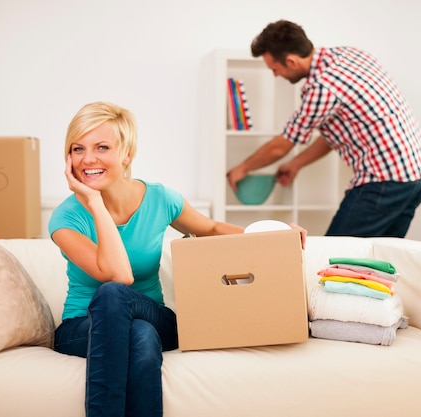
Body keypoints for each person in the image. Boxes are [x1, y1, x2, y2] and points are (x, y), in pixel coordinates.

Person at [48, 101, 305, 417]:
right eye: (78, 149)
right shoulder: (66, 219)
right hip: (82, 325)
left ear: (126, 154)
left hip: (154, 314)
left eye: (102, 147)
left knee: (124, 305)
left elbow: (209, 228)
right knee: (135, 328)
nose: (88, 159)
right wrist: (95, 203)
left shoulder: (159, 198)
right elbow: (118, 275)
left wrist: (276, 237)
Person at [226, 20, 421, 238]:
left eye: (275, 69)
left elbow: (282, 145)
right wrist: (296, 164)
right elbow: (338, 133)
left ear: (290, 61)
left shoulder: (322, 86)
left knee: (334, 255)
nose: (275, 75)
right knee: (380, 257)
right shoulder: (350, 55)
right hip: (417, 174)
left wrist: (242, 168)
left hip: (386, 180)